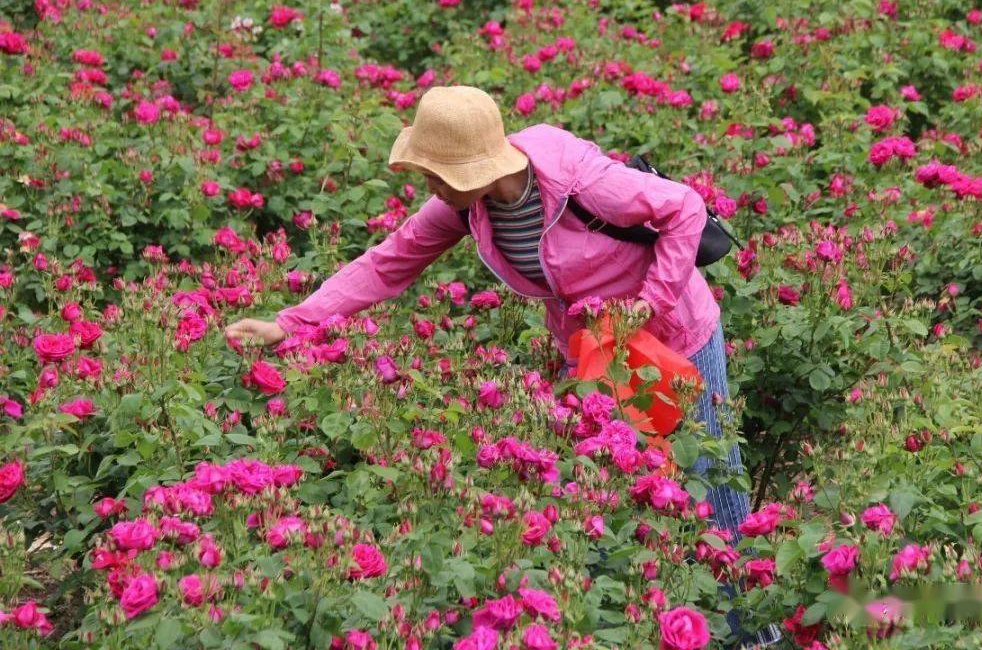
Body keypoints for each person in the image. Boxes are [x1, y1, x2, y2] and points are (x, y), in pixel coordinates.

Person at [224, 85, 781, 647]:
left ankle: (756, 637)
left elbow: (683, 207)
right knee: (632, 493)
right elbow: (387, 262)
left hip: (677, 336)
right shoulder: (467, 207)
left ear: (476, 167)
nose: (429, 187)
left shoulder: (575, 179)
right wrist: (290, 324)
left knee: (713, 483)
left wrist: (645, 306)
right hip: (599, 357)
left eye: (437, 174)